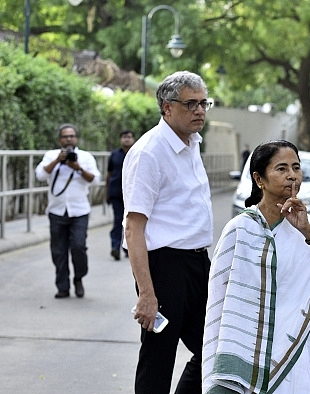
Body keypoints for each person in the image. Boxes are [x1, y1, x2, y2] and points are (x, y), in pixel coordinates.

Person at [202, 140, 310, 393]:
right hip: (242, 353)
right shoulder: (240, 229)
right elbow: (219, 302)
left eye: (296, 167)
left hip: (294, 353)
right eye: (281, 169)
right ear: (259, 179)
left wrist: (308, 233)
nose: (292, 175)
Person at [123, 71, 214, 393]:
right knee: (158, 357)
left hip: (197, 262)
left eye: (204, 103)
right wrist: (147, 294)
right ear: (167, 107)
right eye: (191, 104)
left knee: (215, 350)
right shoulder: (149, 152)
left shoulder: (192, 143)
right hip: (164, 266)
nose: (200, 110)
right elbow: (134, 227)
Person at [35, 123, 101, 298]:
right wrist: (57, 160)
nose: (68, 139)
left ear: (76, 138)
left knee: (78, 246)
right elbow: (40, 175)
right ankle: (62, 287)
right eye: (65, 136)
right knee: (58, 250)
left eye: (71, 136)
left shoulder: (85, 157)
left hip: (80, 211)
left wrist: (77, 167)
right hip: (56, 211)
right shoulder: (51, 155)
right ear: (59, 140)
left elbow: (95, 180)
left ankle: (79, 277)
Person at [105, 130, 135, 261]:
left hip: (133, 194)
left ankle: (128, 248)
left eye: (129, 137)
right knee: (118, 221)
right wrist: (106, 192)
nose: (126, 139)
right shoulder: (114, 155)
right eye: (124, 137)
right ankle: (115, 247)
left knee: (131, 222)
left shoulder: (137, 153)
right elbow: (109, 174)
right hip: (116, 194)